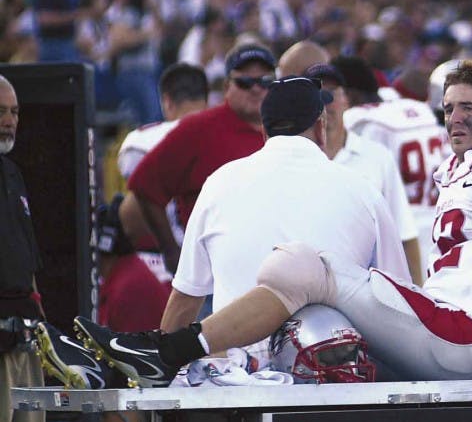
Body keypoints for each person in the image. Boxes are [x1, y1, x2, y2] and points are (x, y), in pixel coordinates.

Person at [64, 60, 472, 405]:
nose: (454, 118)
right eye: (449, 108)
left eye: (468, 109)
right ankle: (153, 357)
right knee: (311, 300)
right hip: (445, 331)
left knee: (299, 264)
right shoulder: (460, 174)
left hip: (460, 335)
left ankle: (163, 352)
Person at [0, 74, 74, 422]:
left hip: (21, 334)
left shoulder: (11, 174)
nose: (9, 120)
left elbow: (25, 263)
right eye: (0, 110)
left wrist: (39, 325)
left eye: (15, 112)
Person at [277, 40, 421, 284]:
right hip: (303, 285)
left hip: (366, 285)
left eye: (331, 93)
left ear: (346, 99)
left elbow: (404, 233)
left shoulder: (377, 157)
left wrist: (419, 296)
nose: (324, 102)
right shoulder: (291, 157)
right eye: (316, 93)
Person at [128, 43, 276, 276]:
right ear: (227, 86)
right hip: (212, 278)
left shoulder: (287, 129)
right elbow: (144, 185)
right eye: (245, 82)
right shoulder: (199, 129)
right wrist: (171, 251)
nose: (256, 89)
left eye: (265, 81)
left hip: (273, 273)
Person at [336, 55, 447, 279]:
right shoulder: (418, 109)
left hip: (400, 239)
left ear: (349, 95)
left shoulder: (361, 120)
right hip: (439, 227)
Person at [117, 62, 210, 286]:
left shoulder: (139, 142)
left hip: (159, 265)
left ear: (166, 101)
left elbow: (137, 212)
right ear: (207, 100)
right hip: (214, 260)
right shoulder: (222, 135)